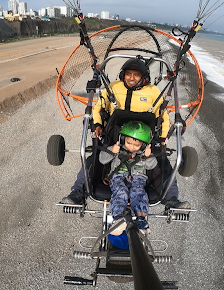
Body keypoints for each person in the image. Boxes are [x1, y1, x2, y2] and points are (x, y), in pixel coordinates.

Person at [60, 58, 190, 210]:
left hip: (144, 138)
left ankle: (172, 199)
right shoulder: (114, 87)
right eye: (128, 74)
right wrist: (97, 125)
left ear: (144, 77)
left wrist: (161, 138)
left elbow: (164, 115)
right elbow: (98, 109)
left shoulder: (153, 91)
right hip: (116, 136)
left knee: (164, 164)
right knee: (91, 161)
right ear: (123, 74)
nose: (131, 78)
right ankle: (77, 194)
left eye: (136, 75)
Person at [100, 121, 156, 235]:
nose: (132, 147)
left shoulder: (144, 154)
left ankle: (141, 219)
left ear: (144, 145)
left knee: (139, 192)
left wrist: (148, 156)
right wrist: (111, 151)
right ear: (122, 139)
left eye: (137, 145)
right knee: (121, 192)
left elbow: (152, 165)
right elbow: (102, 159)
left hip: (138, 178)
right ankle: (117, 219)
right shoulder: (116, 149)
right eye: (128, 143)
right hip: (118, 176)